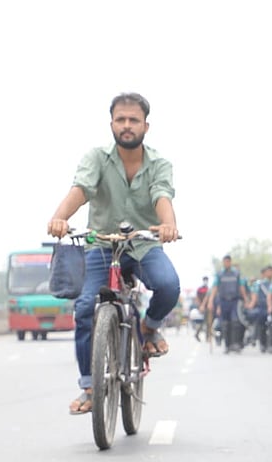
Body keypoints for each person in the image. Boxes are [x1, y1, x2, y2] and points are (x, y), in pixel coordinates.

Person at [47, 92, 180, 415]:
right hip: (102, 245)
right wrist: (60, 216)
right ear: (111, 124)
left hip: (144, 244)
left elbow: (161, 194)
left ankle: (148, 328)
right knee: (83, 309)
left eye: (134, 120)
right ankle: (89, 386)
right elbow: (81, 189)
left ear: (146, 126)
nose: (127, 125)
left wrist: (168, 224)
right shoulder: (96, 158)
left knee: (168, 285)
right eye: (120, 119)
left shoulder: (159, 163)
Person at [209, 255, 249, 353]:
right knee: (225, 324)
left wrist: (246, 299)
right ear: (223, 262)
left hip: (234, 301)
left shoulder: (236, 273)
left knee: (235, 322)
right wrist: (211, 301)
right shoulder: (220, 274)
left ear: (230, 262)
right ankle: (227, 346)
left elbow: (241, 287)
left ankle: (234, 344)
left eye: (228, 262)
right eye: (225, 262)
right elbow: (215, 288)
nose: (226, 263)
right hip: (223, 301)